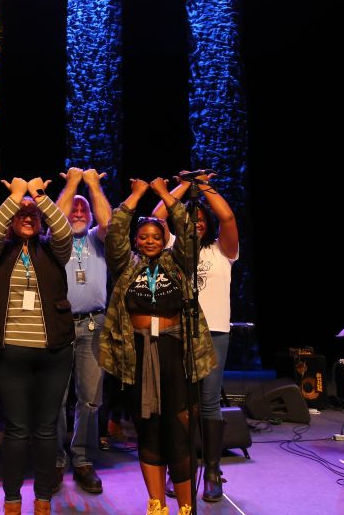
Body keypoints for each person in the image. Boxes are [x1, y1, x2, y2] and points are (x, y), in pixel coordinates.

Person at [100, 178, 217, 515]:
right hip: (136, 355)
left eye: (156, 237)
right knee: (147, 431)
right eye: (144, 237)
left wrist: (166, 195)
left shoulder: (177, 263)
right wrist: (136, 195)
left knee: (177, 432)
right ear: (137, 241)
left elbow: (188, 231)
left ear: (166, 240)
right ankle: (156, 504)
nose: (149, 241)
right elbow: (115, 235)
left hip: (174, 354)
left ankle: (184, 507)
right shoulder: (126, 266)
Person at [0, 176, 74, 515]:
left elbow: (63, 231)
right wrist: (17, 196)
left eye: (34, 215)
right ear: (11, 220)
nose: (29, 217)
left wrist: (38, 196)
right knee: (17, 428)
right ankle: (12, 499)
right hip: (10, 353)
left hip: (55, 351)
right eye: (22, 215)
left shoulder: (54, 249)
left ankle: (44, 498)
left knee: (47, 429)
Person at [153, 173, 238, 502]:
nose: (197, 223)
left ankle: (213, 470)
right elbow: (157, 217)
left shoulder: (222, 251)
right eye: (191, 219)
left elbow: (227, 216)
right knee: (180, 404)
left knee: (208, 402)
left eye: (201, 219)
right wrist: (181, 188)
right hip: (178, 332)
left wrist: (203, 186)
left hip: (214, 332)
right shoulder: (173, 247)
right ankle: (182, 470)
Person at [53, 167, 111, 494]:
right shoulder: (57, 241)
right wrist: (73, 184)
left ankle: (83, 460)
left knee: (90, 399)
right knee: (58, 399)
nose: (77, 212)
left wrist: (92, 185)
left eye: (83, 208)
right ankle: (58, 460)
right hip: (61, 325)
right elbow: (55, 219)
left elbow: (109, 222)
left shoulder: (96, 239)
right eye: (73, 207)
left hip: (94, 324)